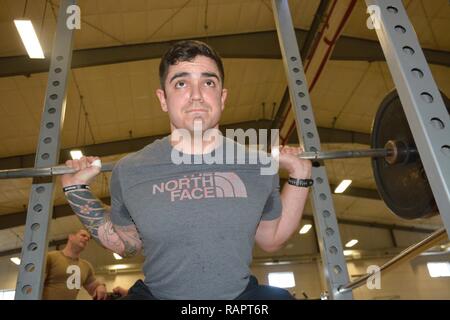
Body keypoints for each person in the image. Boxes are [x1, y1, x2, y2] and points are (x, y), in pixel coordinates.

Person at [61, 40, 312, 300]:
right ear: (163, 99)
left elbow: (270, 239)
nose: (196, 94)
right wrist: (76, 191)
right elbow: (126, 245)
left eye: (208, 82)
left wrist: (300, 176)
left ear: (222, 97)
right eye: (181, 83)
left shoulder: (258, 165)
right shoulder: (130, 170)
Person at [43, 229, 108, 300]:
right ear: (71, 237)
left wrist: (101, 286)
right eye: (83, 235)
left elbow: (93, 286)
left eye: (88, 239)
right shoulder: (50, 257)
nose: (86, 239)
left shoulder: (86, 266)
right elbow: (34, 284)